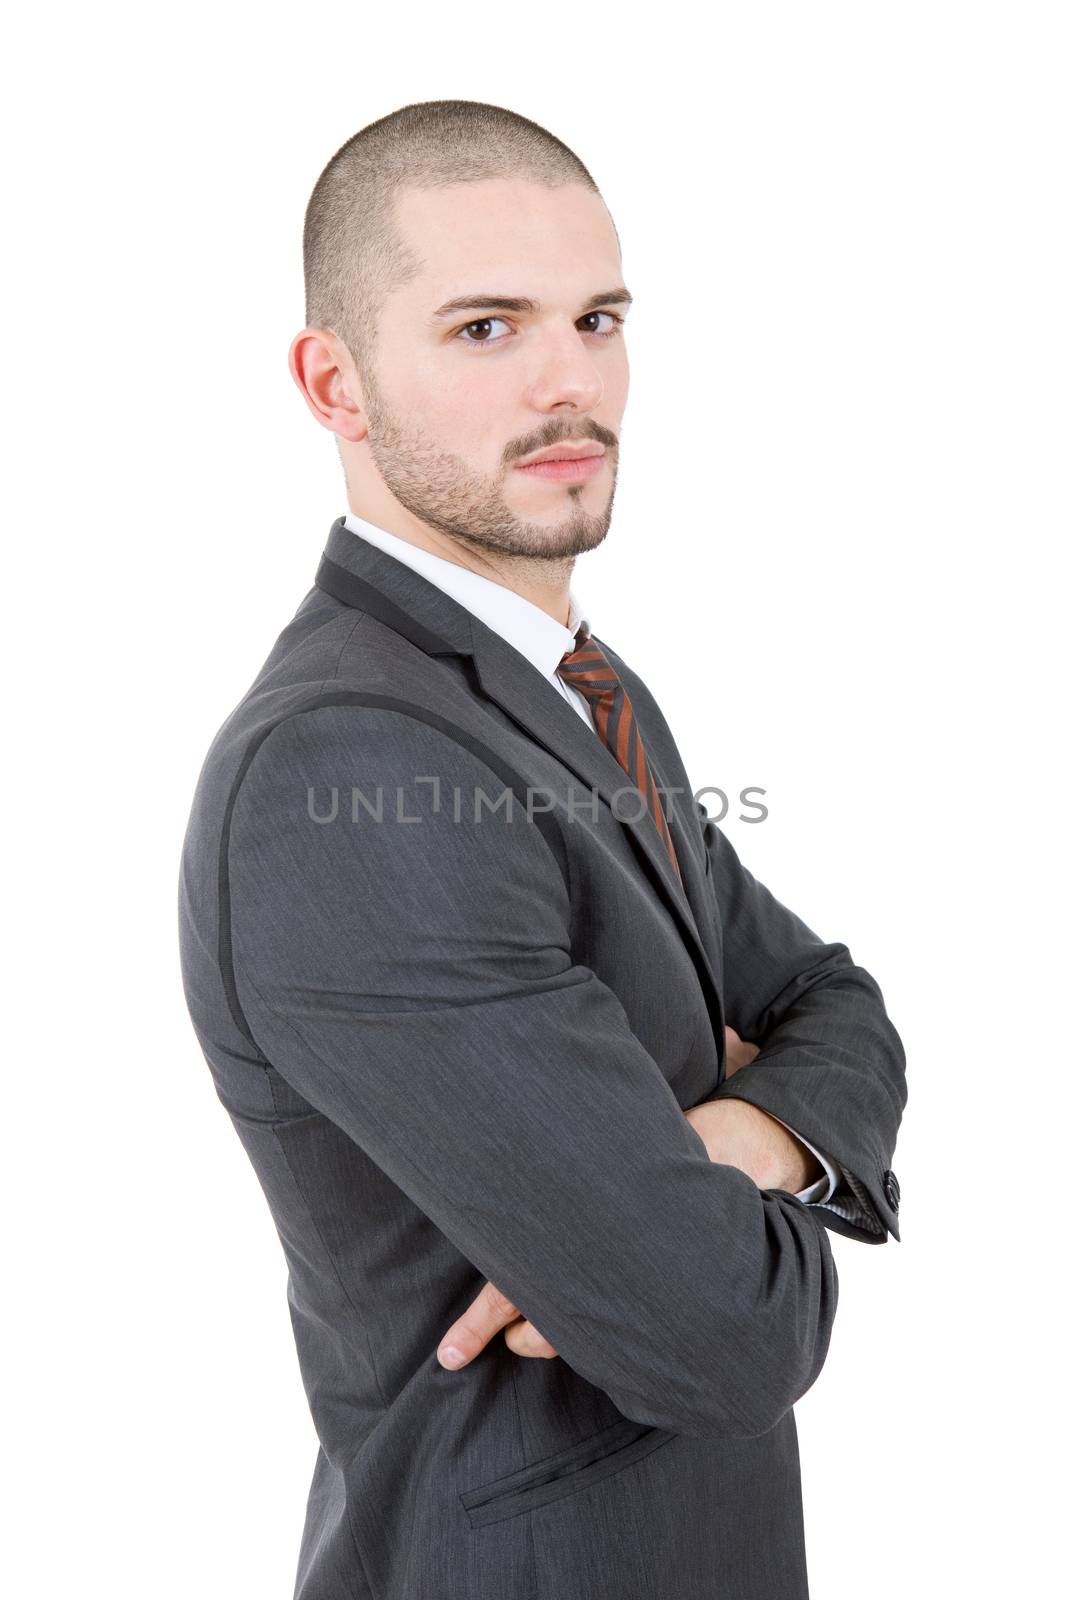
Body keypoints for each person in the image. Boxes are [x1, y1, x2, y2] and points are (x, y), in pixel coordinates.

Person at [178, 98, 907, 1600]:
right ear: (336, 383)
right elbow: (722, 1334)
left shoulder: (579, 690)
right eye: (487, 329)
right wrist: (696, 1220)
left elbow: (839, 1004)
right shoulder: (344, 770)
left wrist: (727, 1141)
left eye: (598, 316)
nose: (572, 382)